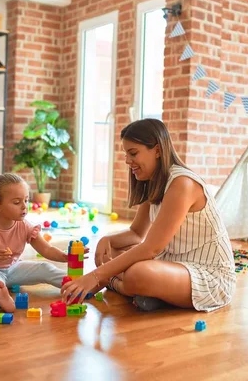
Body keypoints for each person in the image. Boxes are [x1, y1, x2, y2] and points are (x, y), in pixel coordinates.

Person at [61, 119, 236, 312]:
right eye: (126, 154)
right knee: (116, 251)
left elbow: (151, 248)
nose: (128, 161)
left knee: (139, 273)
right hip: (172, 263)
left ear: (158, 150)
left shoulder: (182, 184)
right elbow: (136, 233)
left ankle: (124, 286)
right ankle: (147, 293)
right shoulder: (153, 181)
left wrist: (96, 276)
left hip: (209, 276)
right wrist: (107, 240)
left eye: (133, 153)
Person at [0, 173, 87, 312]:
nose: (24, 206)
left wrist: (64, 256)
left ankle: (78, 286)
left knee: (45, 268)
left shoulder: (25, 226)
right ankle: (0, 296)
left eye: (26, 200)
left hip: (12, 269)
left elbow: (47, 249)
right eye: (17, 202)